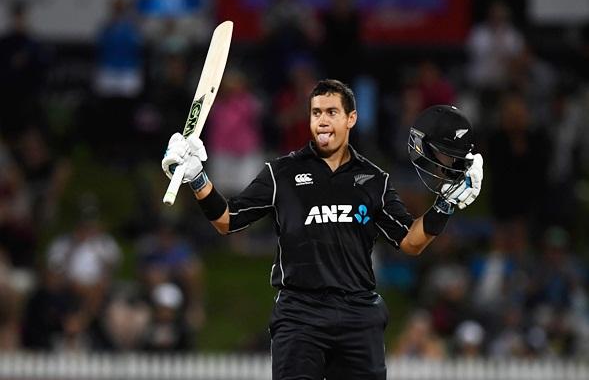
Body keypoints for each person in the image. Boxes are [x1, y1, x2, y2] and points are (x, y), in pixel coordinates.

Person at [161, 79, 483, 379]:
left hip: (359, 314)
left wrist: (444, 206)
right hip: (300, 315)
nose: (323, 120)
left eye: (332, 112)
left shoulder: (374, 181)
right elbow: (227, 221)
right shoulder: (281, 174)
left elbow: (411, 242)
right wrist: (197, 179)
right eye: (316, 112)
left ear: (351, 119)